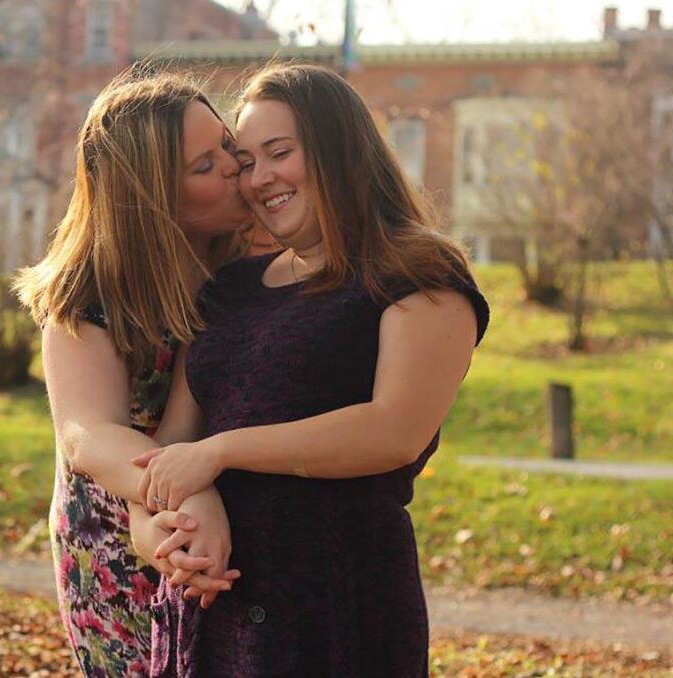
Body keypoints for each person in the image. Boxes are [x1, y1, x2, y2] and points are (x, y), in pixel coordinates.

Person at [134, 63, 491, 677]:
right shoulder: (228, 289)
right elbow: (168, 451)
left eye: (279, 152)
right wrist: (157, 540)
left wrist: (222, 452)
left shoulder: (418, 275)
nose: (259, 178)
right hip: (213, 606)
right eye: (245, 161)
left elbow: (392, 432)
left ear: (337, 150)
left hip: (337, 609)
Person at [13, 71, 250, 676]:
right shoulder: (89, 295)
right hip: (119, 547)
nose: (233, 165)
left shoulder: (251, 266)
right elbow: (87, 434)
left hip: (227, 535)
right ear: (151, 197)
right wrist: (184, 487)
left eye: (227, 144)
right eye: (205, 165)